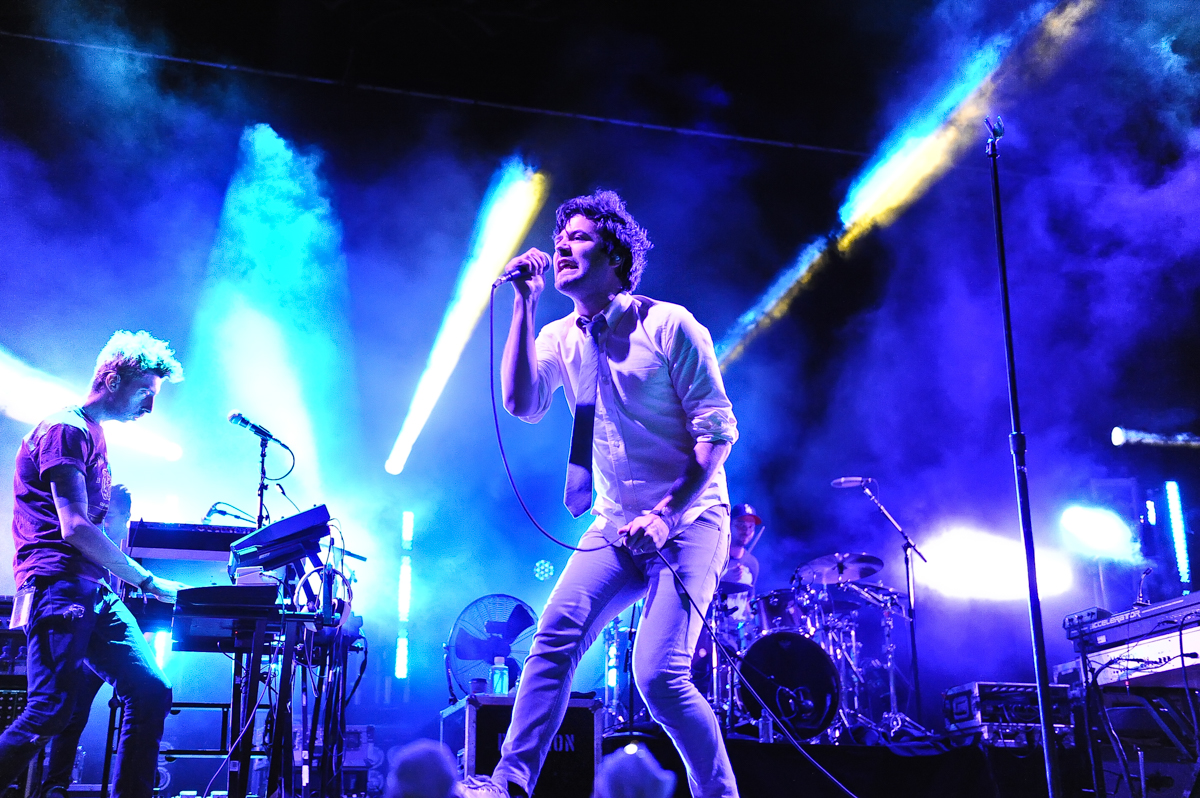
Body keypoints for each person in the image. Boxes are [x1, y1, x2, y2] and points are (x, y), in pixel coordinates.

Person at [461, 191, 739, 798]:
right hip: (614, 523)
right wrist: (524, 306)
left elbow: (716, 433)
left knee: (659, 676)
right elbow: (523, 403)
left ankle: (720, 794)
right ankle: (508, 783)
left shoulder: (669, 325)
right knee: (552, 638)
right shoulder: (562, 336)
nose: (561, 246)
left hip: (690, 520)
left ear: (615, 255)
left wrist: (667, 516)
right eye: (560, 238)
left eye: (580, 238)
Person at [2, 330, 188, 798]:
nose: (149, 407)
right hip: (56, 584)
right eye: (146, 393)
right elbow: (75, 529)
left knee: (149, 691)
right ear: (111, 378)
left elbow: (93, 531)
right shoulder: (67, 429)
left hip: (90, 588)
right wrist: (145, 579)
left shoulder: (95, 436)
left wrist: (119, 523)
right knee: (50, 707)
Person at [36, 484, 132, 798]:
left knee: (147, 698)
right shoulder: (88, 547)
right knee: (72, 711)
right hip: (88, 639)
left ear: (126, 517)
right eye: (99, 516)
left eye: (111, 516)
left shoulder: (134, 549)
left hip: (116, 642)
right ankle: (55, 785)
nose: (103, 523)